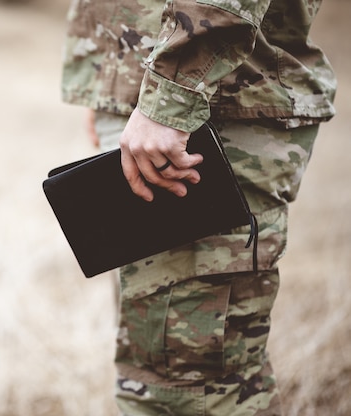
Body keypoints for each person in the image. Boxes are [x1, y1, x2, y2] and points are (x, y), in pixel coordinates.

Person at [61, 0, 336, 414]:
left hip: (210, 107)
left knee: (193, 389)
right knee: (152, 373)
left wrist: (167, 98)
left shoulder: (175, 98)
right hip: (157, 98)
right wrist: (113, 82)